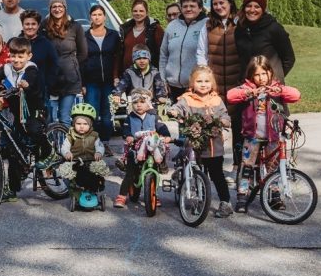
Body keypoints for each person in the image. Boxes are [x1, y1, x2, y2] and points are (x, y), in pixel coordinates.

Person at [0, 37, 52, 202]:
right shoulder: (7, 69)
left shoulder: (31, 69)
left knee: (34, 129)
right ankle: (12, 190)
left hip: (34, 112)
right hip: (18, 115)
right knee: (14, 148)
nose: (16, 60)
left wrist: (25, 85)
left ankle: (50, 153)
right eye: (13, 56)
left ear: (29, 56)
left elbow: (31, 79)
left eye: (21, 56)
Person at [226, 55, 300, 212]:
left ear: (270, 73)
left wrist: (279, 90)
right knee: (246, 166)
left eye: (264, 73)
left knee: (272, 168)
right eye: (257, 75)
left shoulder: (276, 88)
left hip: (272, 136)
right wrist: (250, 93)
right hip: (252, 137)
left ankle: (274, 196)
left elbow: (295, 95)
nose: (261, 78)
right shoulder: (247, 88)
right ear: (251, 76)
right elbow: (230, 96)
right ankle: (242, 197)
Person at [167, 65, 233, 218]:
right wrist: (174, 111)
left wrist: (224, 121)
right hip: (194, 143)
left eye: (207, 81)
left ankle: (225, 202)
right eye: (199, 81)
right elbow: (178, 108)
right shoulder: (187, 99)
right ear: (192, 83)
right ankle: (198, 199)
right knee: (196, 171)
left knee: (217, 174)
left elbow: (225, 116)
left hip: (213, 145)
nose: (203, 84)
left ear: (212, 84)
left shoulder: (216, 100)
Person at [197, 0, 244, 172]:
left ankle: (238, 163)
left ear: (230, 3)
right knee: (212, 125)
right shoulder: (207, 25)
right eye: (215, 4)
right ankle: (213, 164)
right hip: (215, 83)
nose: (218, 7)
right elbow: (201, 52)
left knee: (239, 125)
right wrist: (204, 77)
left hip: (236, 82)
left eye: (221, 3)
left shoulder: (240, 23)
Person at [113, 89, 171, 208]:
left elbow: (161, 126)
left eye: (142, 102)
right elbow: (126, 129)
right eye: (135, 102)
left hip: (150, 147)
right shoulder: (130, 117)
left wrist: (166, 136)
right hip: (135, 146)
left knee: (154, 169)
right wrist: (128, 136)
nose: (138, 105)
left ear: (148, 103)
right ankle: (122, 195)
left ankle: (153, 193)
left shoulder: (153, 116)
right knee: (130, 172)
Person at [40, 0, 86, 128]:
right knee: (49, 118)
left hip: (69, 79)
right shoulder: (43, 26)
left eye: (60, 6)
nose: (57, 9)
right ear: (50, 9)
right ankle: (51, 147)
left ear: (65, 8)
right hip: (50, 80)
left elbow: (83, 53)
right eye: (54, 6)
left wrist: (71, 65)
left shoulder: (75, 27)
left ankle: (64, 148)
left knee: (65, 117)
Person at [81, 4, 120, 154]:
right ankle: (93, 144)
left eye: (99, 14)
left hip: (109, 82)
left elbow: (117, 57)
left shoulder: (113, 35)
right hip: (91, 81)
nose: (97, 17)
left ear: (104, 17)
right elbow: (82, 61)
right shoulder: (85, 36)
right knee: (92, 114)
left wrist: (116, 76)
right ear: (90, 17)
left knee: (107, 115)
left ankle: (105, 142)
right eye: (94, 15)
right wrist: (82, 83)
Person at [234, 0, 296, 84]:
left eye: (257, 7)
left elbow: (289, 58)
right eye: (248, 6)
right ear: (244, 8)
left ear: (263, 9)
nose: (252, 10)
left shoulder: (274, 28)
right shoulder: (240, 30)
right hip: (248, 86)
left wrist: (276, 78)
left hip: (271, 87)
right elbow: (241, 60)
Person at [159, 0, 207, 100]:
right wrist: (163, 80)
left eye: (192, 6)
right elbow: (163, 55)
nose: (188, 9)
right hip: (172, 87)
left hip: (195, 87)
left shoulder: (206, 25)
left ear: (200, 8)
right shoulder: (172, 26)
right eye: (185, 6)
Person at [60, 103, 107, 198]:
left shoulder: (94, 135)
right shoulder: (70, 136)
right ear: (73, 124)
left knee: (95, 175)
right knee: (72, 176)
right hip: (76, 161)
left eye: (85, 124)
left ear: (90, 124)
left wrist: (98, 152)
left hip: (90, 160)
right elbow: (64, 147)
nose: (81, 126)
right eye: (78, 124)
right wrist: (67, 152)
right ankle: (76, 191)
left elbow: (100, 146)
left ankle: (93, 190)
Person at [18, 10, 59, 99]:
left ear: (38, 25)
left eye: (33, 24)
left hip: (40, 92)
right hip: (17, 90)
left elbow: (54, 66)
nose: (30, 27)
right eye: (27, 24)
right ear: (22, 25)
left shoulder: (46, 44)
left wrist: (48, 85)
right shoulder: (15, 42)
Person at [118, 0, 163, 70]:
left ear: (147, 12)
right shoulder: (125, 29)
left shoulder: (155, 28)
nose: (138, 13)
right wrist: (116, 76)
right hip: (127, 75)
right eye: (135, 11)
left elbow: (162, 53)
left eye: (141, 11)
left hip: (148, 75)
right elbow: (119, 54)